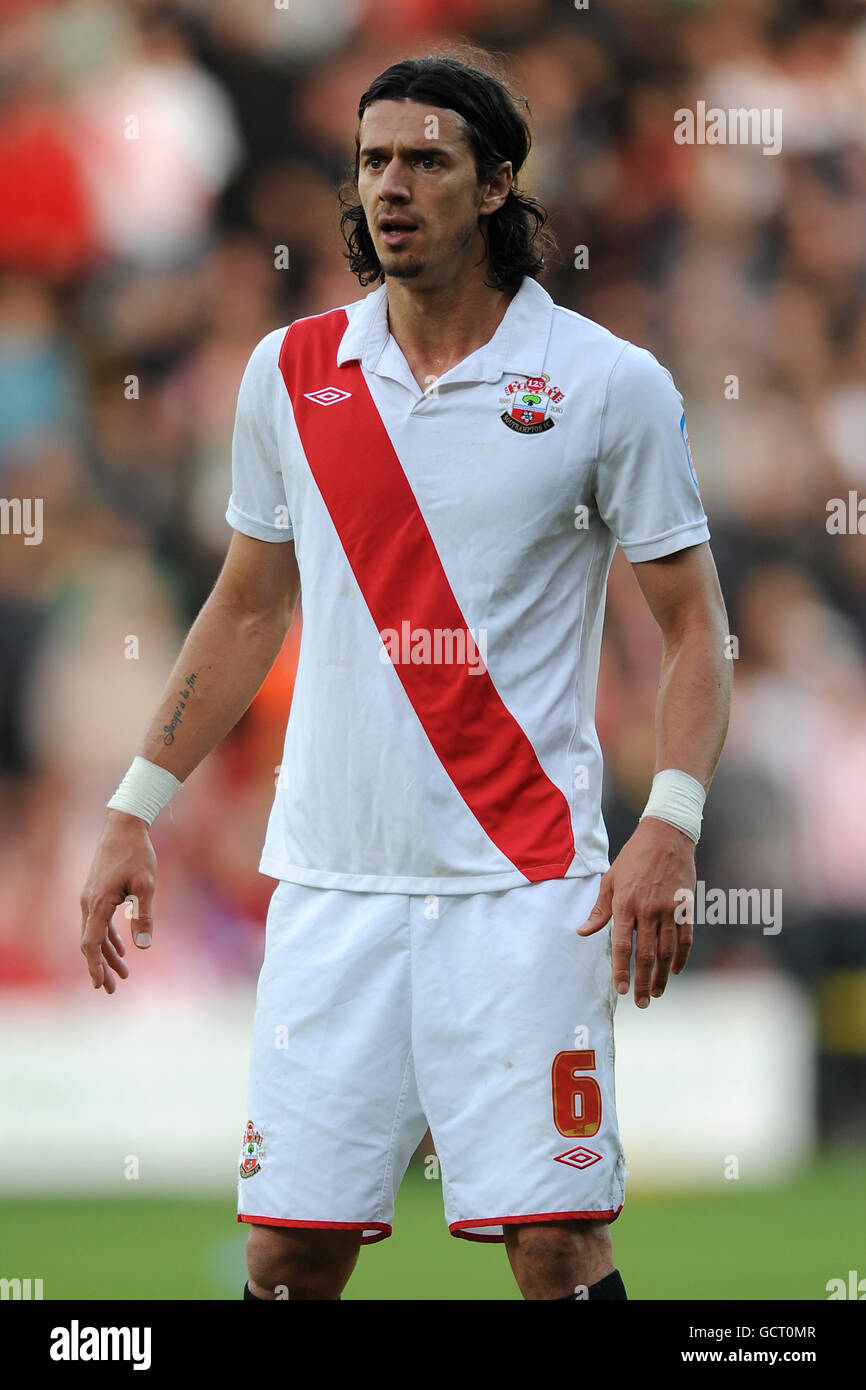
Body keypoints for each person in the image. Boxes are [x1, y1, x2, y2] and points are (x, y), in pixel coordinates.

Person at [80, 52, 732, 1301]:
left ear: (494, 186)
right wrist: (134, 804)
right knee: (285, 1253)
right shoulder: (288, 371)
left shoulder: (606, 384)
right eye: (374, 159)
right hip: (332, 879)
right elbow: (247, 602)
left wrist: (671, 824)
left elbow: (696, 628)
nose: (391, 185)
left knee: (553, 1243)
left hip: (528, 880)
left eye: (425, 160)